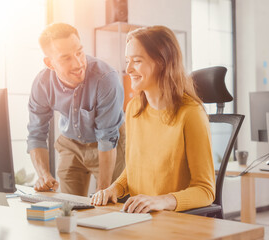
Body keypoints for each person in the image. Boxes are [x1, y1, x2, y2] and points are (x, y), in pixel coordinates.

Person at [91, 25, 216, 213]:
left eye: (137, 61)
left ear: (162, 62)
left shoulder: (191, 113)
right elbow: (133, 169)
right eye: (127, 60)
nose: (128, 69)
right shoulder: (134, 109)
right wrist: (114, 188)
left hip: (175, 221)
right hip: (138, 218)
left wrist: (162, 201)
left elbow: (205, 191)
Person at [27, 23, 125, 196]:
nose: (79, 63)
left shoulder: (106, 79)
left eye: (79, 52)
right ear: (50, 63)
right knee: (69, 207)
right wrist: (43, 175)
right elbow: (36, 134)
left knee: (114, 205)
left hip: (109, 143)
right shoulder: (42, 83)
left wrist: (103, 190)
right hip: (70, 142)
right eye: (66, 58)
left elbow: (107, 138)